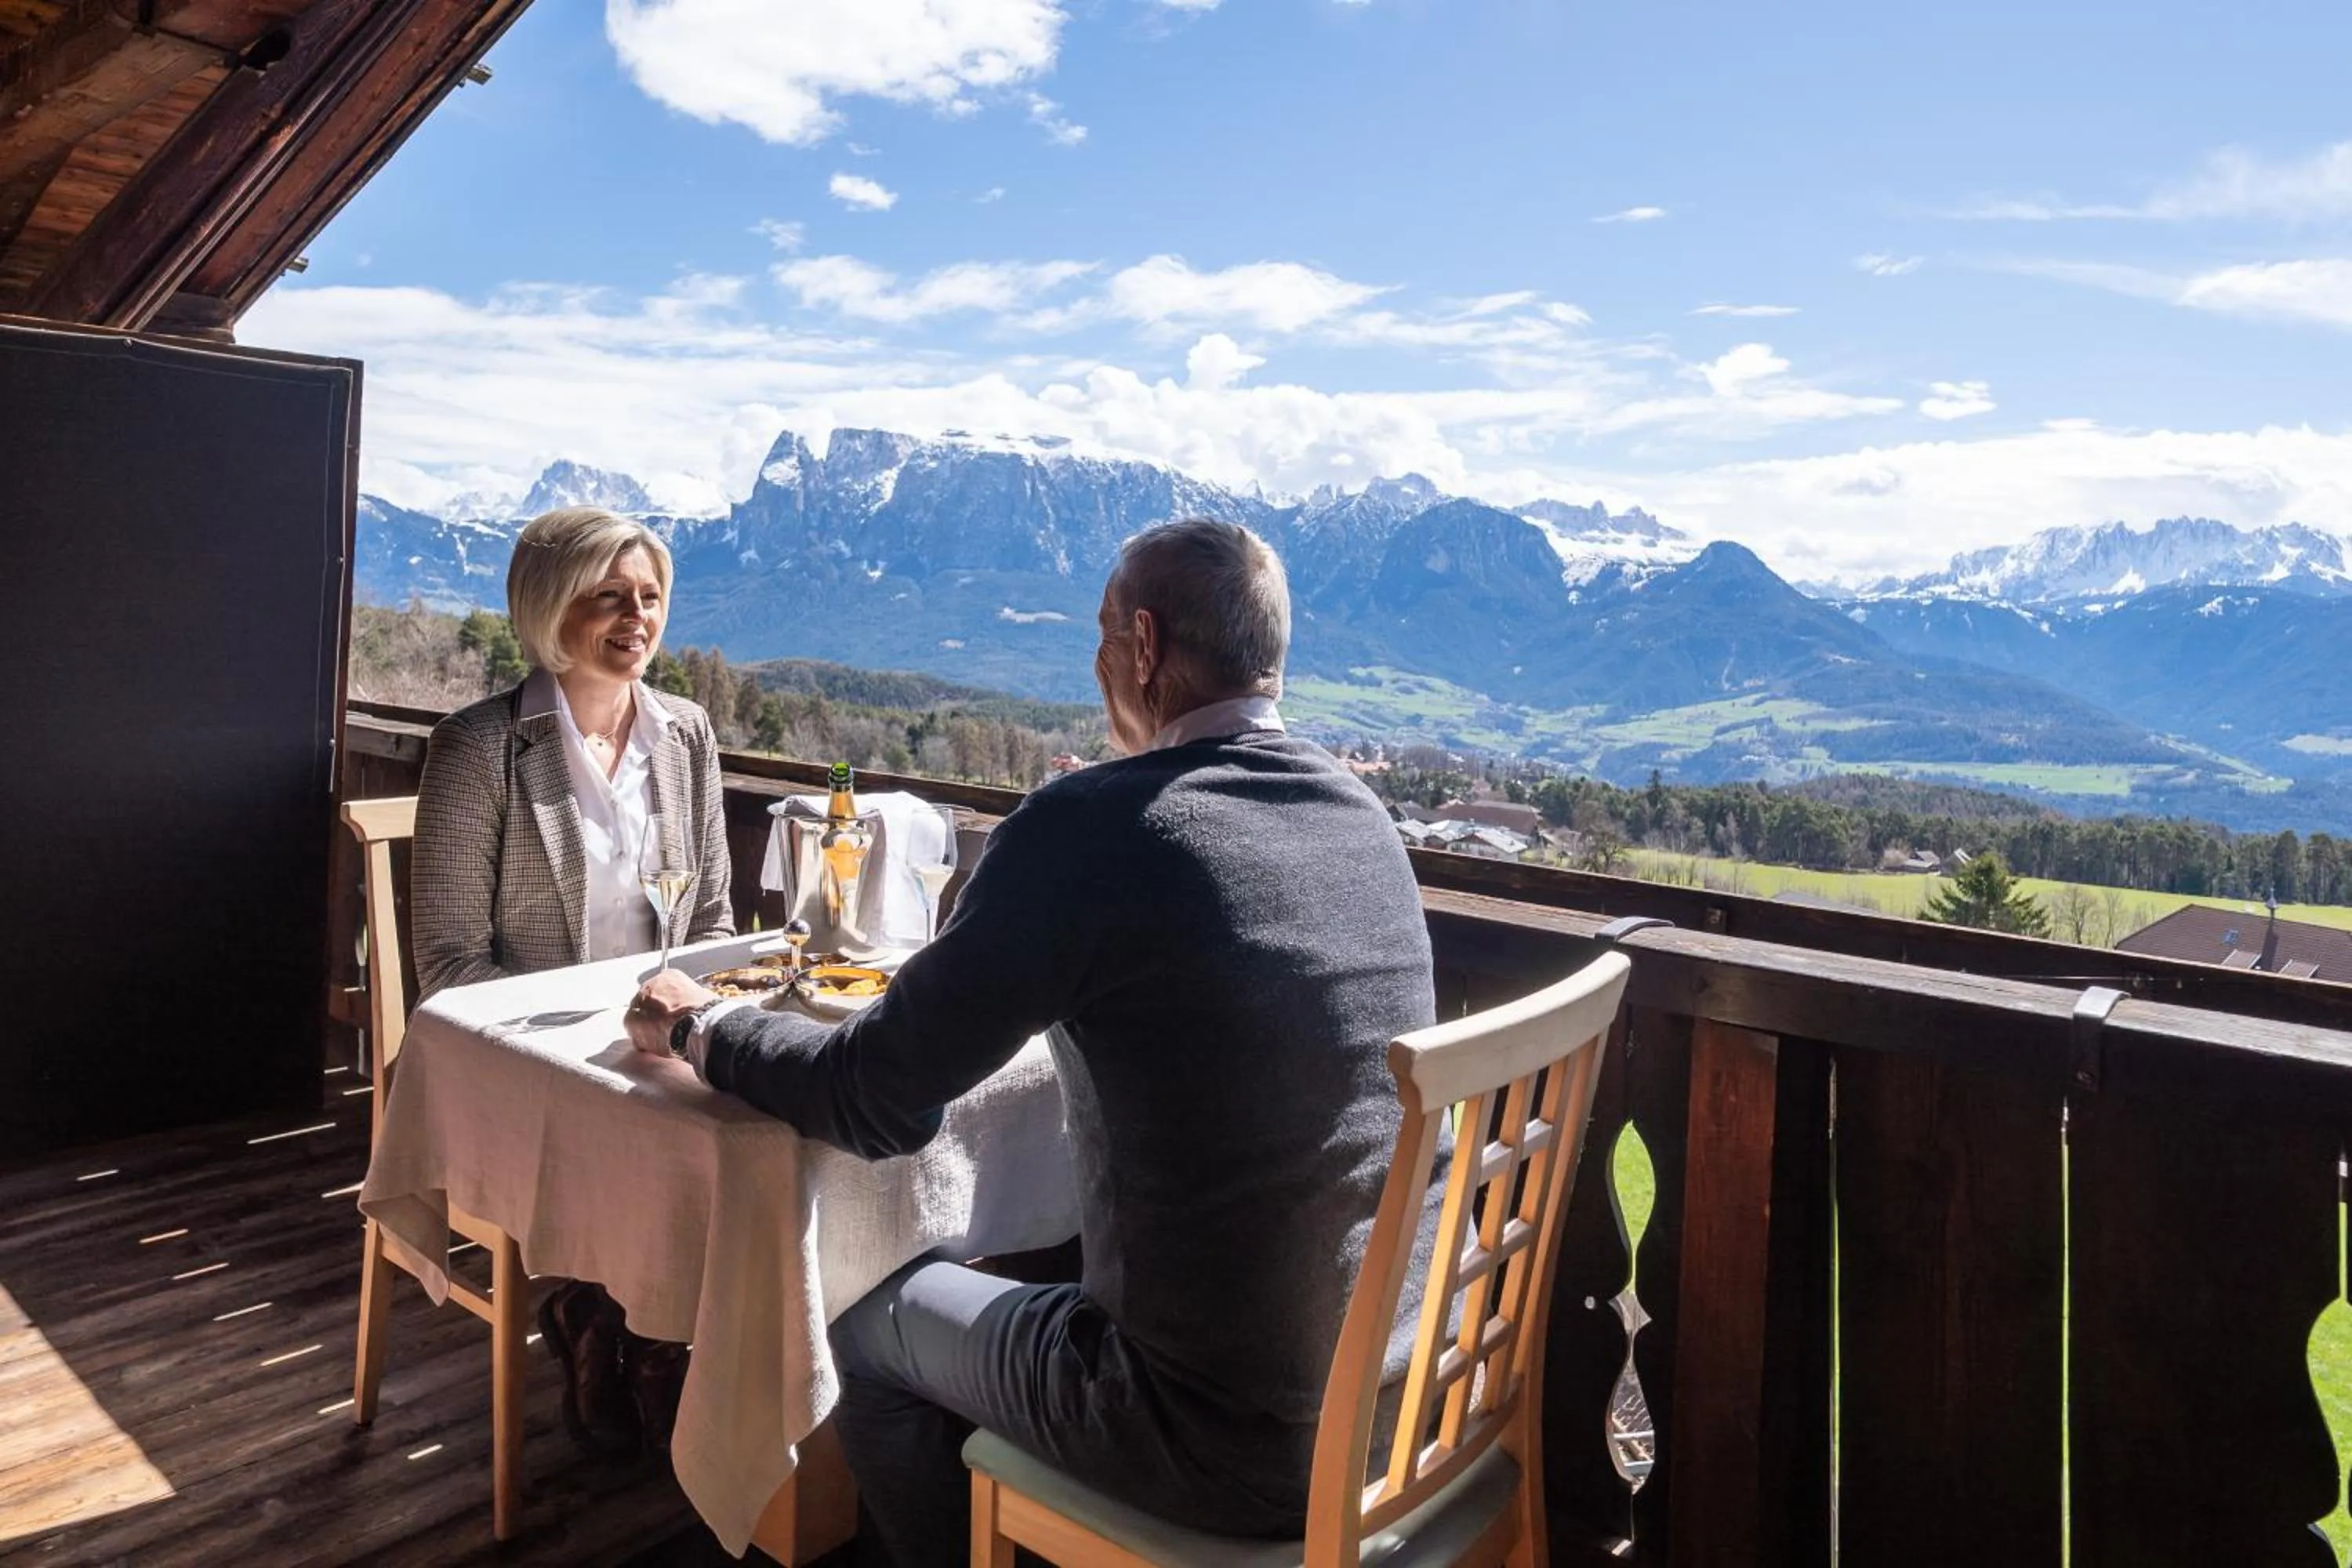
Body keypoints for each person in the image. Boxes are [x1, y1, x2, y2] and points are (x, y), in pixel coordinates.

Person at [626, 517, 1442, 1564]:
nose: (1099, 663)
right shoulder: (1362, 818)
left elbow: (875, 1096)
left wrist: (701, 1025)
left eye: (1103, 638)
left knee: (856, 1325)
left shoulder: (1098, 825)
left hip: (1211, 1437)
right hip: (1405, 1393)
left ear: (1144, 647)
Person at [412, 504, 733, 1456]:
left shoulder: (688, 736)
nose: (638, 616)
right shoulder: (479, 749)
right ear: (553, 609)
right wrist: (595, 1031)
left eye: (651, 595)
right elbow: (449, 965)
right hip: (530, 1058)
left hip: (654, 1047)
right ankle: (629, 1326)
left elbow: (710, 921)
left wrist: (680, 1018)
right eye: (608, 596)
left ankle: (642, 1329)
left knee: (761, 1127)